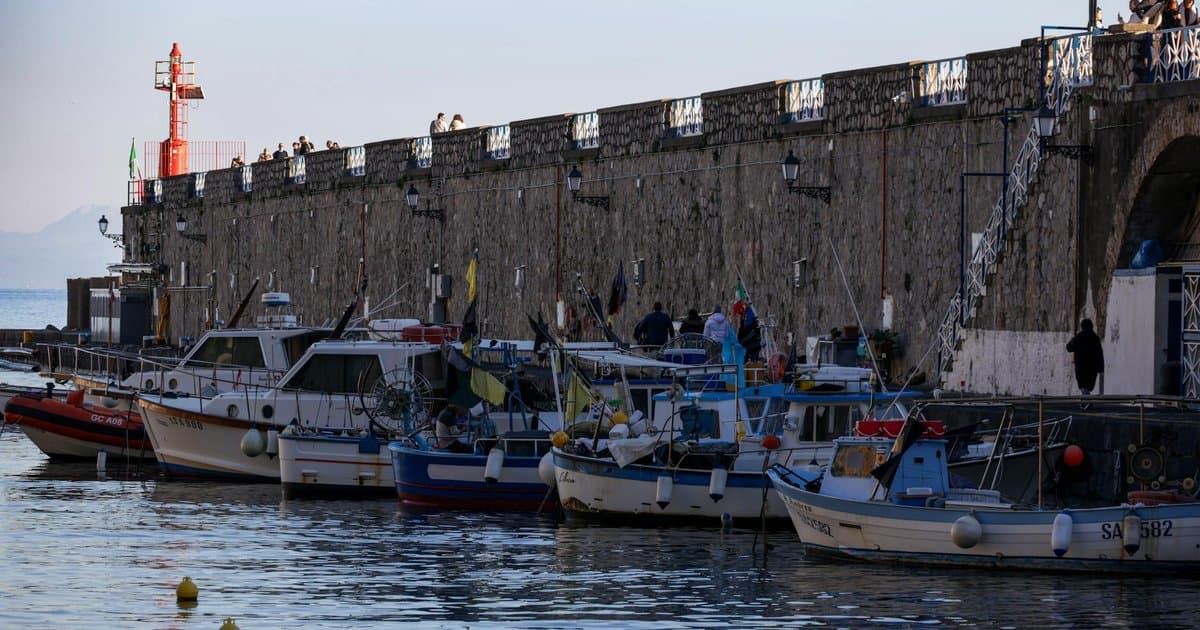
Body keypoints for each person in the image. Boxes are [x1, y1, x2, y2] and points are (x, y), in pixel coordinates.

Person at [1066, 318, 1104, 399]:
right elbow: (1099, 354)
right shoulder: (1095, 338)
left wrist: (1072, 340)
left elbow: (1069, 348)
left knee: (1083, 386)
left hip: (1081, 367)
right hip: (1092, 367)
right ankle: (1085, 402)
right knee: (1088, 386)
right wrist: (1101, 368)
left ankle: (1087, 401)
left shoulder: (1079, 337)